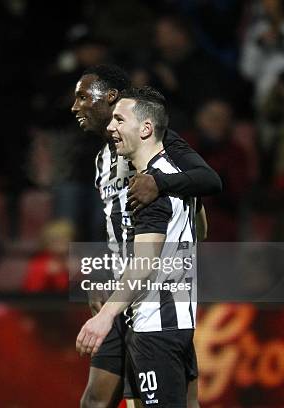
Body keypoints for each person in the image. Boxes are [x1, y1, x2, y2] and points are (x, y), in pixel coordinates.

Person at [71, 65, 219, 408]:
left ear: (110, 100)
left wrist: (163, 185)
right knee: (97, 400)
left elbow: (208, 181)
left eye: (82, 98)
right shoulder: (102, 160)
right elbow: (111, 225)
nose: (75, 107)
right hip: (132, 294)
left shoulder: (159, 157)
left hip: (155, 299)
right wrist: (101, 273)